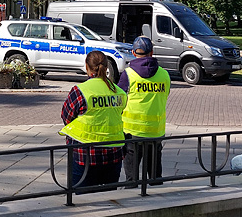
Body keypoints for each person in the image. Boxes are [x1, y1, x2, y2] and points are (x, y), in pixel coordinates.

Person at [60, 50, 127, 190]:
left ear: (86, 66)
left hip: (85, 154)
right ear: (107, 67)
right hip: (113, 153)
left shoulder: (80, 90)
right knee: (108, 198)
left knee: (82, 200)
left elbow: (66, 116)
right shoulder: (119, 92)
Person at [118, 36, 170, 184]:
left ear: (134, 53)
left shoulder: (128, 75)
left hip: (132, 133)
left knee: (132, 179)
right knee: (154, 177)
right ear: (152, 52)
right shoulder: (164, 74)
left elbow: (120, 101)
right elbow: (165, 95)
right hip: (156, 132)